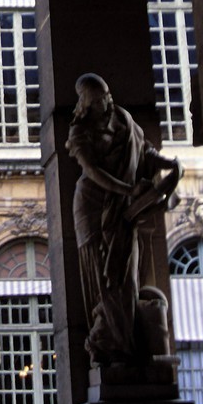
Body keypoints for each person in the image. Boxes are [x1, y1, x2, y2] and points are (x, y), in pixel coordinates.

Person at [66, 73, 181, 366]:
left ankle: (122, 343)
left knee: (126, 277)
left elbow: (145, 151)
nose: (107, 100)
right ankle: (109, 343)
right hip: (93, 206)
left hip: (123, 207)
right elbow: (92, 171)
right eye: (101, 97)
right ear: (88, 102)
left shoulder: (125, 120)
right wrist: (127, 189)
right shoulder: (80, 133)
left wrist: (169, 164)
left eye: (107, 94)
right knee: (104, 277)